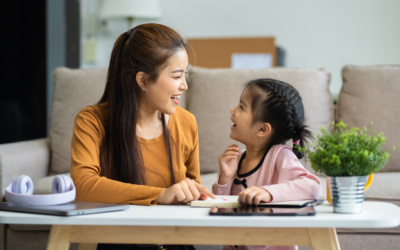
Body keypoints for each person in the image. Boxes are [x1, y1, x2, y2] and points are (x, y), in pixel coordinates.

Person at [70, 23, 214, 249]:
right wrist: (161, 195)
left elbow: (193, 190)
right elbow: (83, 185)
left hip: (174, 244)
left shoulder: (187, 123)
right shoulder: (92, 120)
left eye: (185, 74)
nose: (184, 85)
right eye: (177, 76)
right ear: (143, 80)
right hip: (118, 243)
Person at [213, 78, 321, 250]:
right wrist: (225, 180)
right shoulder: (236, 159)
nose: (232, 110)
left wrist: (267, 192)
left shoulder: (280, 156)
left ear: (262, 129)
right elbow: (221, 212)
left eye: (241, 107)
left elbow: (312, 187)